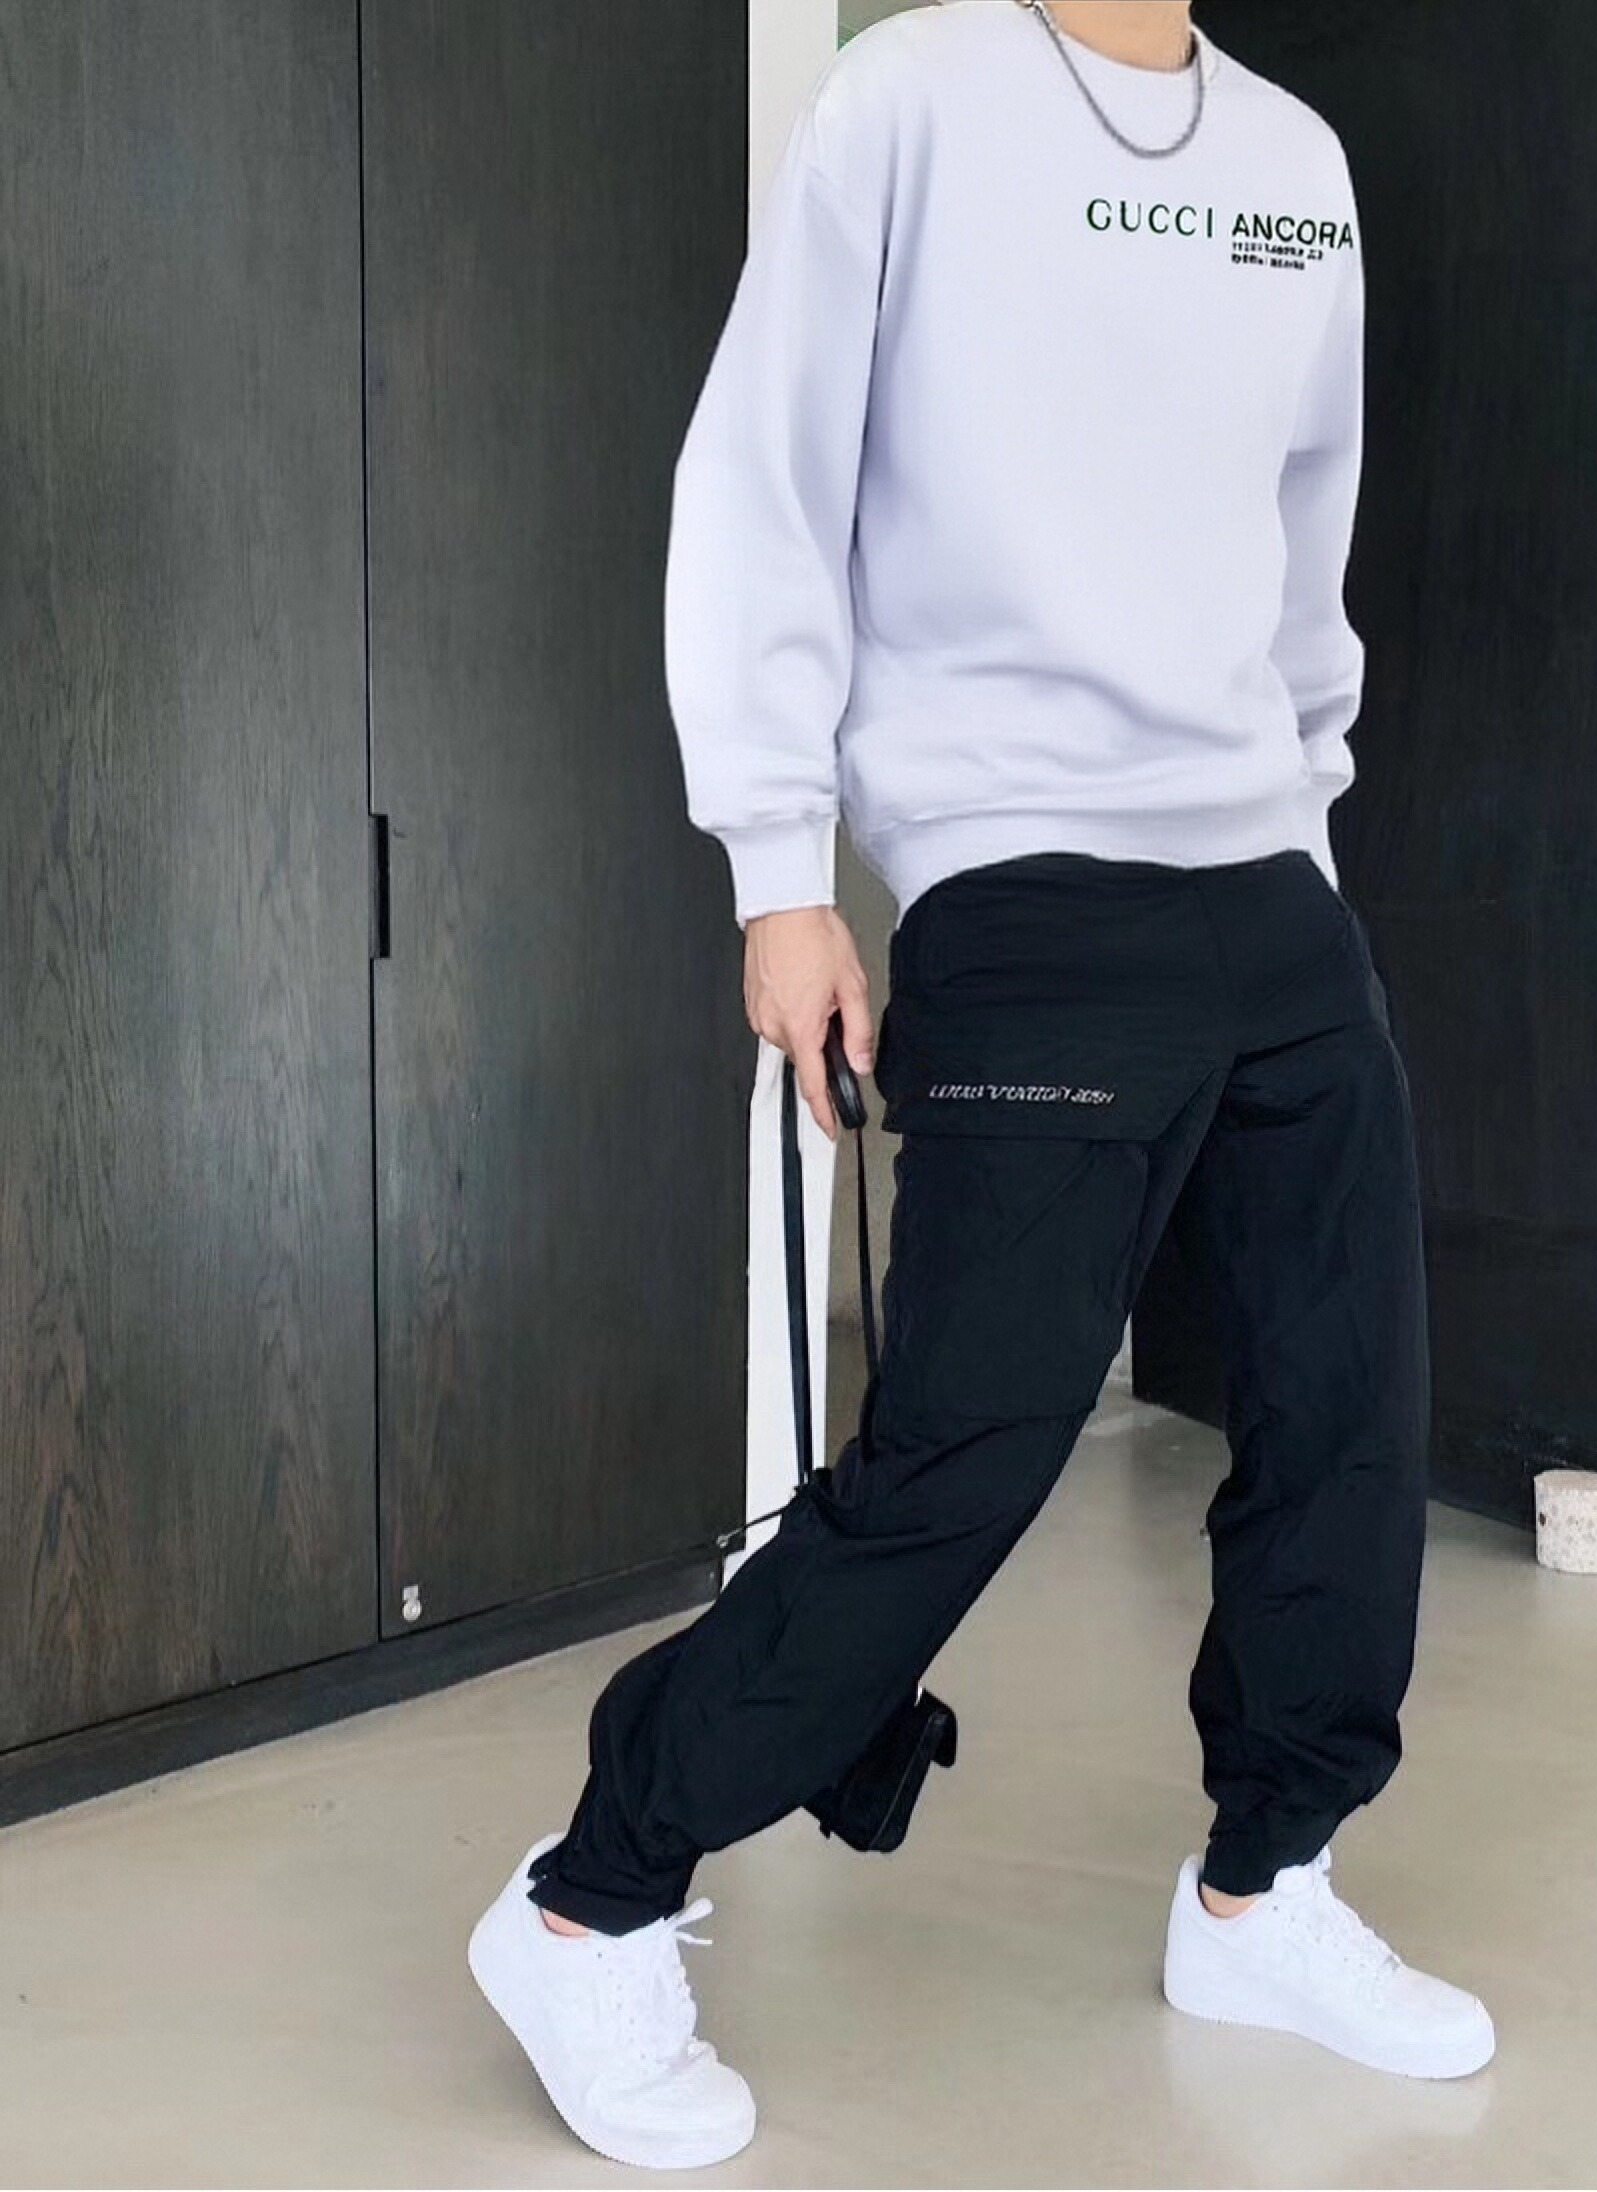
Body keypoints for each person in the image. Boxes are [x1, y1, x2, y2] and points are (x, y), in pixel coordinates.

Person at [465, 0, 1494, 2168]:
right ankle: (591, 1896)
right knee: (962, 1456)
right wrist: (779, 870)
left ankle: (1266, 1886)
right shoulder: (912, 101)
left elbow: (1304, 537)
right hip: (1022, 880)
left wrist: (1307, 816)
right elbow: (764, 478)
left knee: (1348, 1416)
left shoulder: (1296, 164)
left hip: (1275, 891)